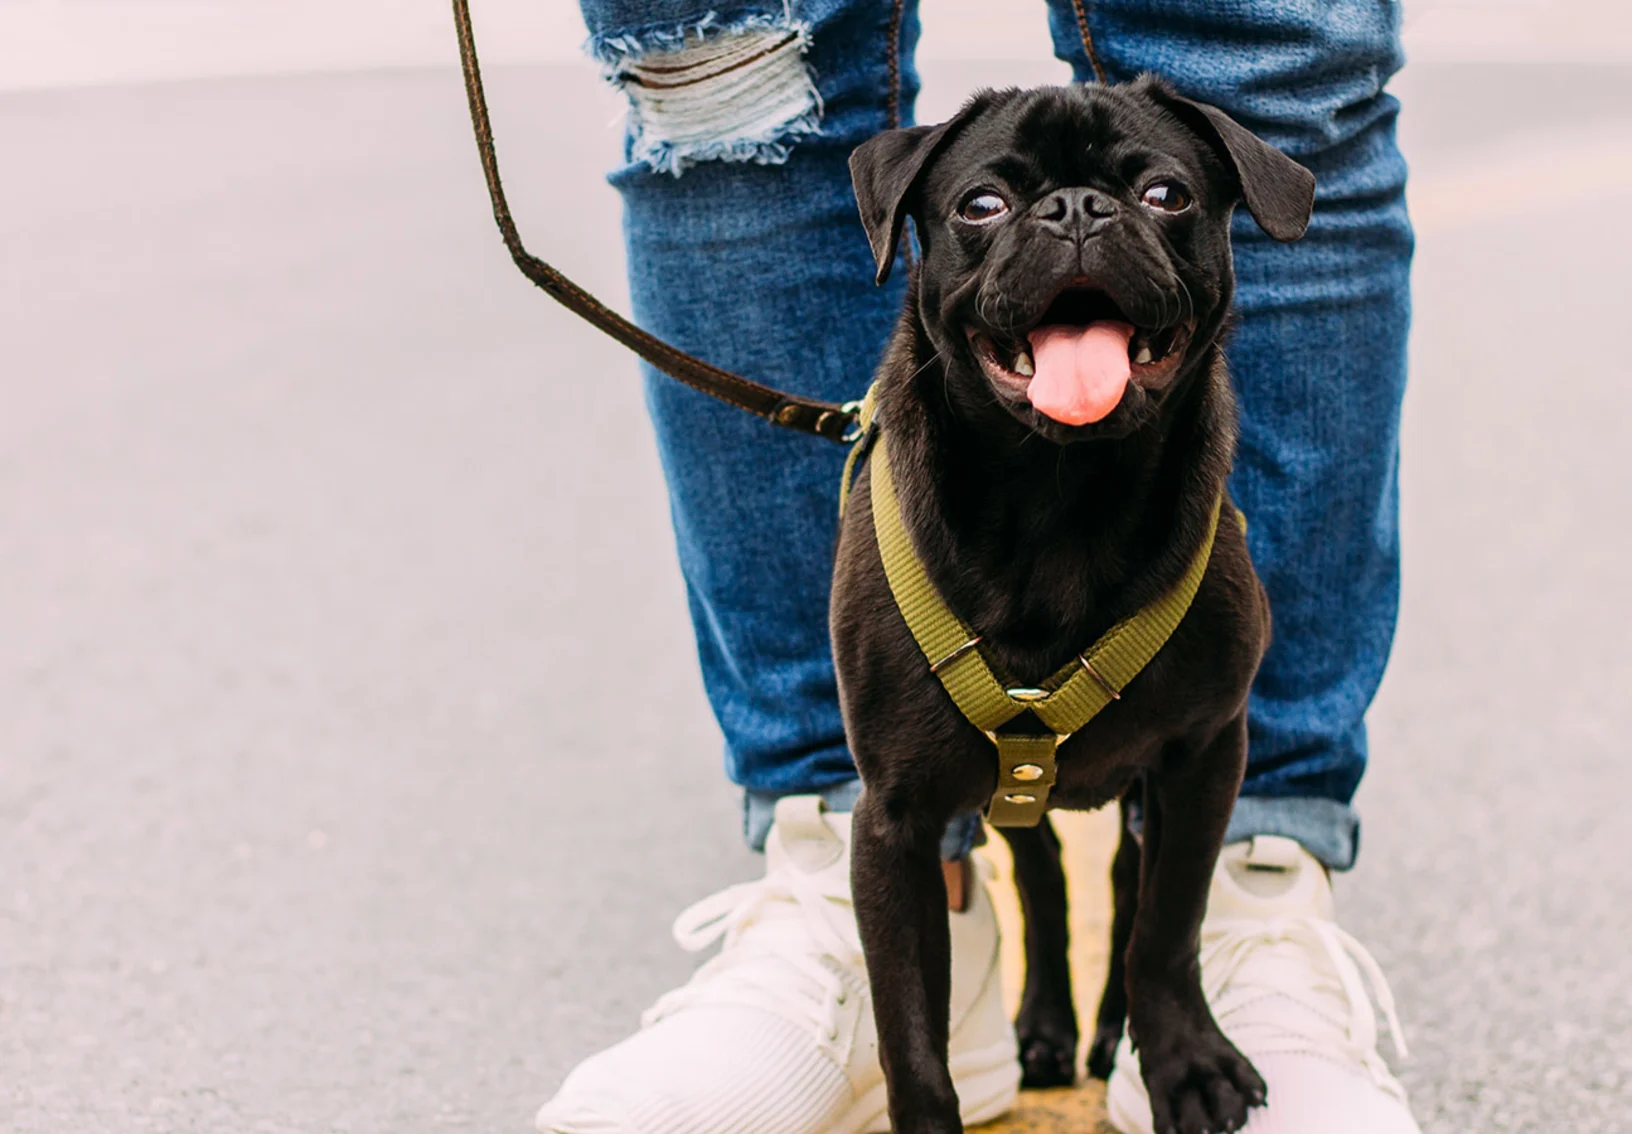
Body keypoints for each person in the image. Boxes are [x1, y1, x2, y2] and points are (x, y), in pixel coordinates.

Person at [535, 2, 1419, 1132]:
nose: (1079, 225)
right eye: (992, 206)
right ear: (907, 229)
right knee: (720, 61)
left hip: (1172, 596)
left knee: (1267, 47)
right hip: (934, 577)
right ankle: (845, 888)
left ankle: (1236, 906)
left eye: (1158, 198)